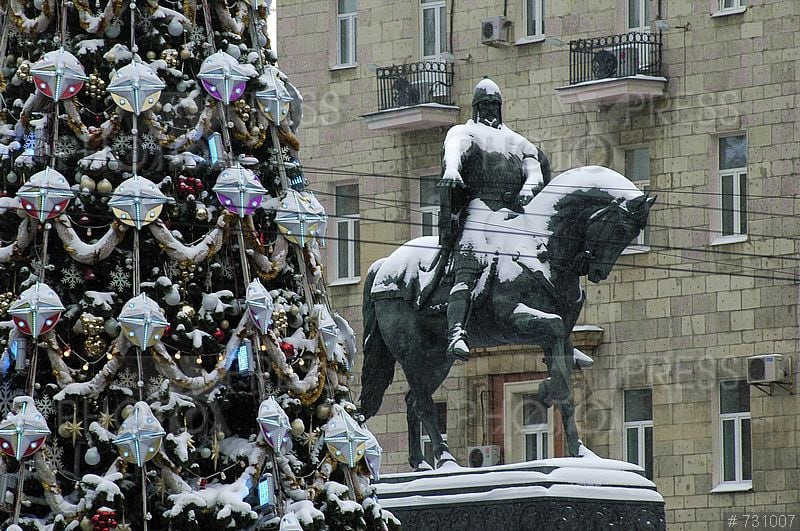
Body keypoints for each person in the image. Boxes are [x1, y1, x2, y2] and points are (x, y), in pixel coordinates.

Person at [438, 78, 551, 361]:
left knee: (545, 262)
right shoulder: (466, 133)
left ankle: (561, 338)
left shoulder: (518, 142)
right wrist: (452, 171)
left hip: (511, 216)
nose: (489, 108)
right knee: (469, 264)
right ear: (476, 107)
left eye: (494, 104)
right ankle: (456, 332)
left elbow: (535, 169)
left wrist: (529, 188)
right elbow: (454, 152)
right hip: (478, 211)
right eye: (484, 104)